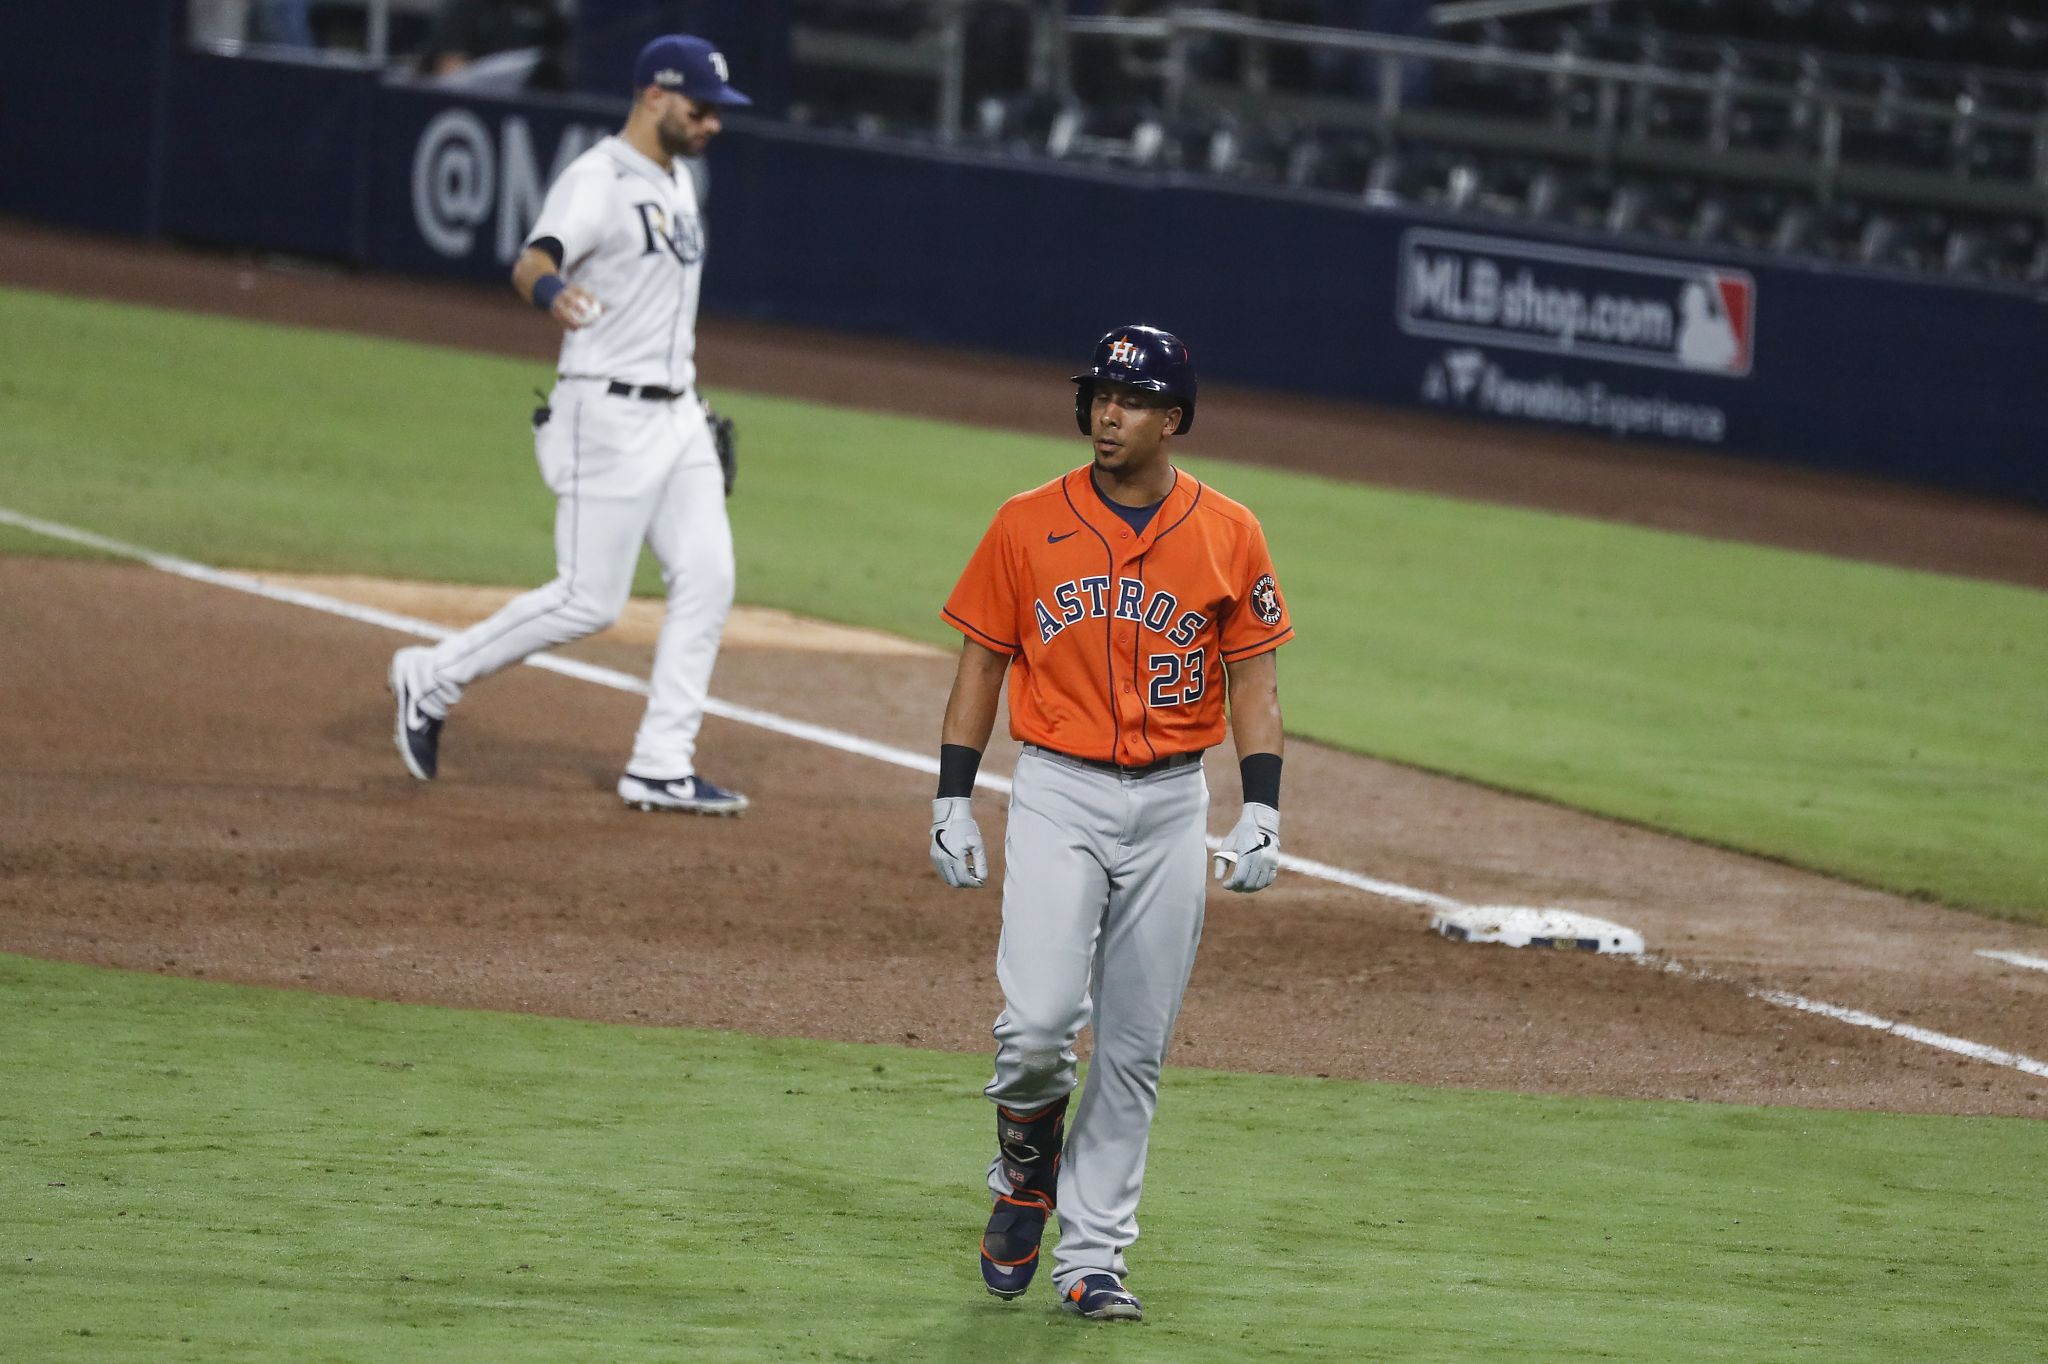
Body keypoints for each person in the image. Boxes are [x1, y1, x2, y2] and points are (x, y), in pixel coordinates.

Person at [929, 325, 1294, 1322]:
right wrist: (952, 792)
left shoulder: (1229, 530)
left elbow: (1253, 672)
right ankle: (1023, 1172)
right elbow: (981, 659)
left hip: (1174, 802)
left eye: (1129, 400)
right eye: (1097, 395)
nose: (1106, 413)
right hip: (1056, 790)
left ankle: (1091, 1256)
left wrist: (1259, 801)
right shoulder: (1023, 522)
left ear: (1171, 418)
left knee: (1132, 1046)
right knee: (1038, 1023)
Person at [387, 34, 752, 815]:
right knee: (590, 600)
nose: (714, 122)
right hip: (606, 413)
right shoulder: (598, 178)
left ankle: (661, 761)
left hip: (677, 412)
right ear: (655, 95)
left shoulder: (679, 181)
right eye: (703, 106)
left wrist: (690, 398)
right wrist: (554, 294)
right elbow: (533, 259)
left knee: (709, 576)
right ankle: (432, 675)